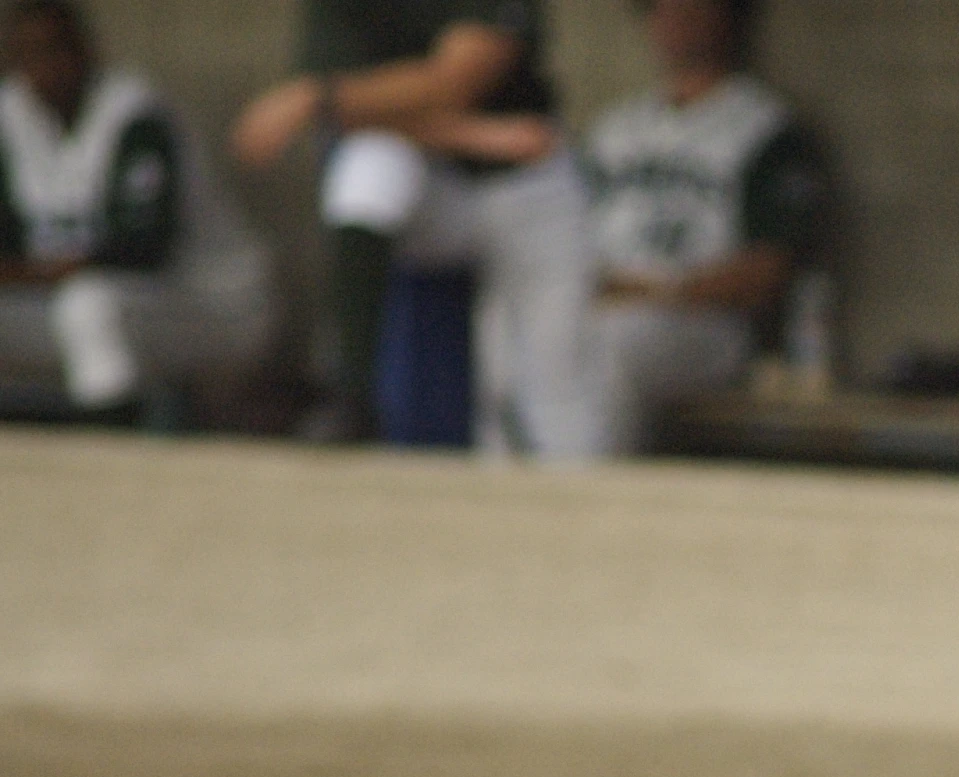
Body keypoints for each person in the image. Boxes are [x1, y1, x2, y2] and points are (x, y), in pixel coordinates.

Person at [232, 0, 596, 457]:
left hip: (527, 187)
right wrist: (477, 134)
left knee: (550, 385)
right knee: (366, 163)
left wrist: (316, 97)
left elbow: (456, 82)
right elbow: (343, 118)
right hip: (435, 183)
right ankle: (351, 393)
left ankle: (579, 505)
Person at [582, 0, 830, 455]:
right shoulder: (614, 130)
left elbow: (770, 269)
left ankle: (597, 499)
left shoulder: (764, 128)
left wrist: (663, 291)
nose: (679, 21)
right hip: (615, 307)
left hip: (707, 326)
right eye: (666, 10)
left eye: (695, 9)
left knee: (616, 345)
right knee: (510, 339)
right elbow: (566, 250)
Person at [0, 0, 269, 418]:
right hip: (72, 306)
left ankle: (114, 441)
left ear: (85, 51)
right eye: (26, 54)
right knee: (80, 304)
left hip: (205, 305)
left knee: (90, 303)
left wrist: (30, 272)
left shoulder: (136, 116)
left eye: (53, 50)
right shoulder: (11, 116)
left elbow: (141, 250)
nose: (42, 67)